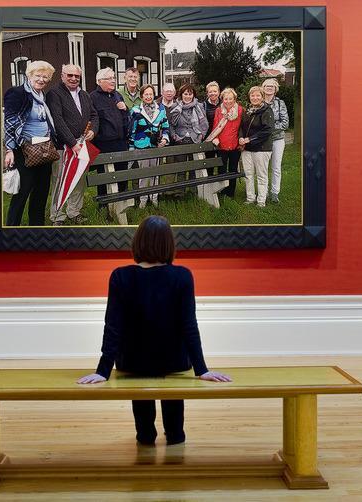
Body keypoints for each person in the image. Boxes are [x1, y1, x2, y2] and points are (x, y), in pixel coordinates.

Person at [77, 215, 232, 446]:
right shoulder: (182, 276)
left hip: (132, 361)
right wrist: (201, 369)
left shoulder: (121, 276)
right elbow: (189, 325)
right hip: (174, 361)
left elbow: (113, 326)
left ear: (137, 243)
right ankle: (175, 435)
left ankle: (146, 435)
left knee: (141, 394)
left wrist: (103, 370)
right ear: (169, 245)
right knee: (173, 390)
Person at [3, 60, 56, 226]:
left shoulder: (42, 95)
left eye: (45, 77)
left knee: (41, 192)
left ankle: (37, 228)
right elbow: (9, 123)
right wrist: (9, 149)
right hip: (24, 150)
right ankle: (12, 229)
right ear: (29, 75)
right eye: (38, 76)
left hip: (44, 148)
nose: (42, 80)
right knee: (22, 191)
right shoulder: (17, 93)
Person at [46, 63, 99, 226]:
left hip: (82, 145)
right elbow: (58, 120)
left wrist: (93, 131)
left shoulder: (84, 94)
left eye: (77, 76)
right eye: (70, 75)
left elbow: (94, 115)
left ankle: (74, 211)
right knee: (60, 180)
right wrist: (72, 143)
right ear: (62, 76)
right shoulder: (54, 93)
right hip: (64, 146)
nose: (73, 78)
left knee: (79, 180)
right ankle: (57, 215)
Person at [128, 84, 170, 209]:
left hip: (155, 146)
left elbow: (166, 127)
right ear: (141, 96)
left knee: (155, 173)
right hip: (141, 146)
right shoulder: (136, 110)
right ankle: (143, 199)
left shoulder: (161, 109)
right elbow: (131, 130)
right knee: (144, 174)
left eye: (150, 94)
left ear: (154, 95)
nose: (148, 96)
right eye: (146, 94)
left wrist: (164, 139)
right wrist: (131, 146)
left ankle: (154, 197)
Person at [90, 67, 129, 195]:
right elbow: (92, 120)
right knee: (104, 177)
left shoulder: (117, 95)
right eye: (109, 78)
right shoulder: (93, 97)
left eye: (114, 78)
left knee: (122, 175)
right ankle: (104, 206)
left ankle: (122, 201)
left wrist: (125, 109)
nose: (113, 81)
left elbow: (126, 118)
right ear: (99, 81)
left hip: (121, 142)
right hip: (104, 144)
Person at [169, 83, 209, 194]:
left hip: (195, 140)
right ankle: (180, 192)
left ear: (193, 95)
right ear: (181, 95)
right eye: (185, 94)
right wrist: (174, 136)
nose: (188, 96)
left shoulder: (199, 106)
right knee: (181, 169)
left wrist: (201, 136)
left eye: (190, 94)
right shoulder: (175, 107)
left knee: (193, 168)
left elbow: (204, 124)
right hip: (180, 140)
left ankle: (193, 192)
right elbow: (171, 125)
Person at [238, 86, 274, 208]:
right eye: (252, 95)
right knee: (248, 174)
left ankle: (261, 200)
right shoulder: (247, 110)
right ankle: (250, 198)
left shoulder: (267, 111)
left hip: (262, 148)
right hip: (247, 149)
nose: (255, 97)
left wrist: (249, 139)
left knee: (261, 175)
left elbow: (267, 130)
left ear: (262, 97)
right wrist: (241, 138)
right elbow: (242, 127)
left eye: (258, 95)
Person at [207, 87, 243, 198]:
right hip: (222, 145)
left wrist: (241, 140)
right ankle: (222, 191)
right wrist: (215, 137)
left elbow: (243, 127)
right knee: (222, 169)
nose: (228, 101)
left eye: (230, 99)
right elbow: (216, 125)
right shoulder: (219, 110)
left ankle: (231, 193)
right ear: (222, 99)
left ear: (234, 99)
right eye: (225, 99)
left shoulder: (241, 110)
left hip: (235, 145)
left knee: (233, 169)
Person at [262, 78, 289, 204]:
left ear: (275, 89)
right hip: (263, 141)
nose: (269, 88)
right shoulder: (259, 102)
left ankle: (274, 193)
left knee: (276, 167)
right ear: (263, 87)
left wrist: (269, 128)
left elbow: (285, 123)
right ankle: (264, 191)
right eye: (267, 85)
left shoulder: (280, 103)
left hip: (277, 140)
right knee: (263, 168)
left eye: (272, 86)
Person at [202, 81, 222, 176]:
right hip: (209, 138)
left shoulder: (224, 103)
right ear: (207, 93)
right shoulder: (203, 106)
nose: (213, 93)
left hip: (222, 137)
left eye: (215, 91)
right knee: (209, 164)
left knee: (221, 163)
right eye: (210, 92)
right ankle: (209, 186)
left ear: (219, 92)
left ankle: (221, 186)